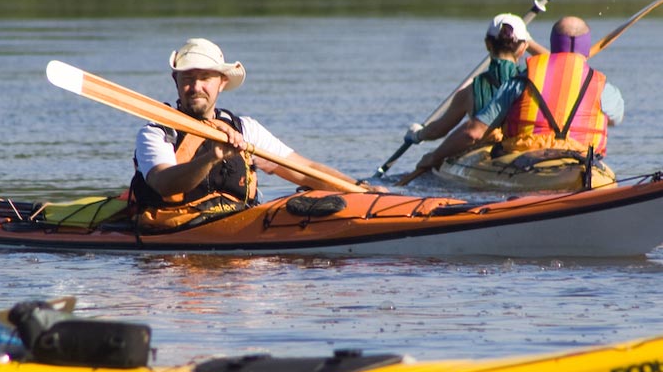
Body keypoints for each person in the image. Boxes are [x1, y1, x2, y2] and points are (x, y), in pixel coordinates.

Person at [129, 38, 376, 229]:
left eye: (205, 78)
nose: (195, 87)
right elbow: (163, 184)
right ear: (176, 80)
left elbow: (304, 170)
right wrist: (209, 159)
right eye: (188, 78)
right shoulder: (157, 132)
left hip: (238, 224)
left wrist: (359, 189)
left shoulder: (245, 128)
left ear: (222, 82)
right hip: (176, 232)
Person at [411, 16, 624, 173]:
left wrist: (434, 155)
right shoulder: (602, 86)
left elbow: (473, 132)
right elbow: (614, 119)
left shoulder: (522, 81)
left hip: (527, 162)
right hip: (583, 164)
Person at [403, 13, 547, 151]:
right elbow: (558, 63)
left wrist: (417, 135)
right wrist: (529, 42)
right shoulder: (534, 79)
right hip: (525, 149)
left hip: (484, 156)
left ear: (487, 44)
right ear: (523, 49)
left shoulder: (469, 91)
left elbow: (438, 130)